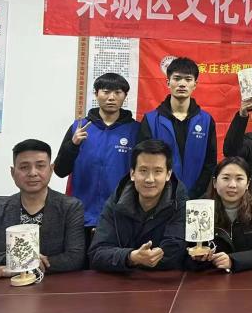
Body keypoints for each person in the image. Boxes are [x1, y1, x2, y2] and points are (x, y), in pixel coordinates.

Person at [0, 139, 85, 277]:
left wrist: (26, 267)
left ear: (51, 169)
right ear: (13, 172)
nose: (33, 173)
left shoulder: (70, 207)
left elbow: (75, 258)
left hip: (53, 286)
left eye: (40, 166)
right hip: (5, 287)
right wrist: (12, 259)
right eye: (24, 167)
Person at [54, 73, 139, 230]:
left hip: (120, 215)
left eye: (118, 92)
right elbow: (60, 170)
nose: (111, 97)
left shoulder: (136, 130)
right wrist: (73, 144)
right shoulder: (79, 127)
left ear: (125, 96)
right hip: (81, 215)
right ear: (96, 94)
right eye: (106, 92)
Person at [88, 139, 187, 272]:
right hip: (121, 281)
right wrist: (131, 257)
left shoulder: (179, 203)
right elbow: (96, 254)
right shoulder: (117, 201)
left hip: (164, 281)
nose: (149, 179)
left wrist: (130, 258)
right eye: (143, 170)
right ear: (132, 173)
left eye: (158, 171)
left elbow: (173, 255)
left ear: (168, 175)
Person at [138, 57, 216, 199]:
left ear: (195, 84)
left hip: (196, 198)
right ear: (168, 82)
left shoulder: (206, 121)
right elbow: (144, 161)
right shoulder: (151, 120)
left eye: (188, 79)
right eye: (177, 78)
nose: (182, 84)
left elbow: (210, 163)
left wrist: (195, 193)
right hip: (159, 198)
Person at [187, 156, 252, 272]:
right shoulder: (198, 211)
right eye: (226, 178)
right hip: (211, 277)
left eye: (239, 179)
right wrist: (199, 259)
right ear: (215, 182)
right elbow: (186, 256)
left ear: (248, 183)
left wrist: (233, 260)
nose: (232, 185)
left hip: (251, 277)